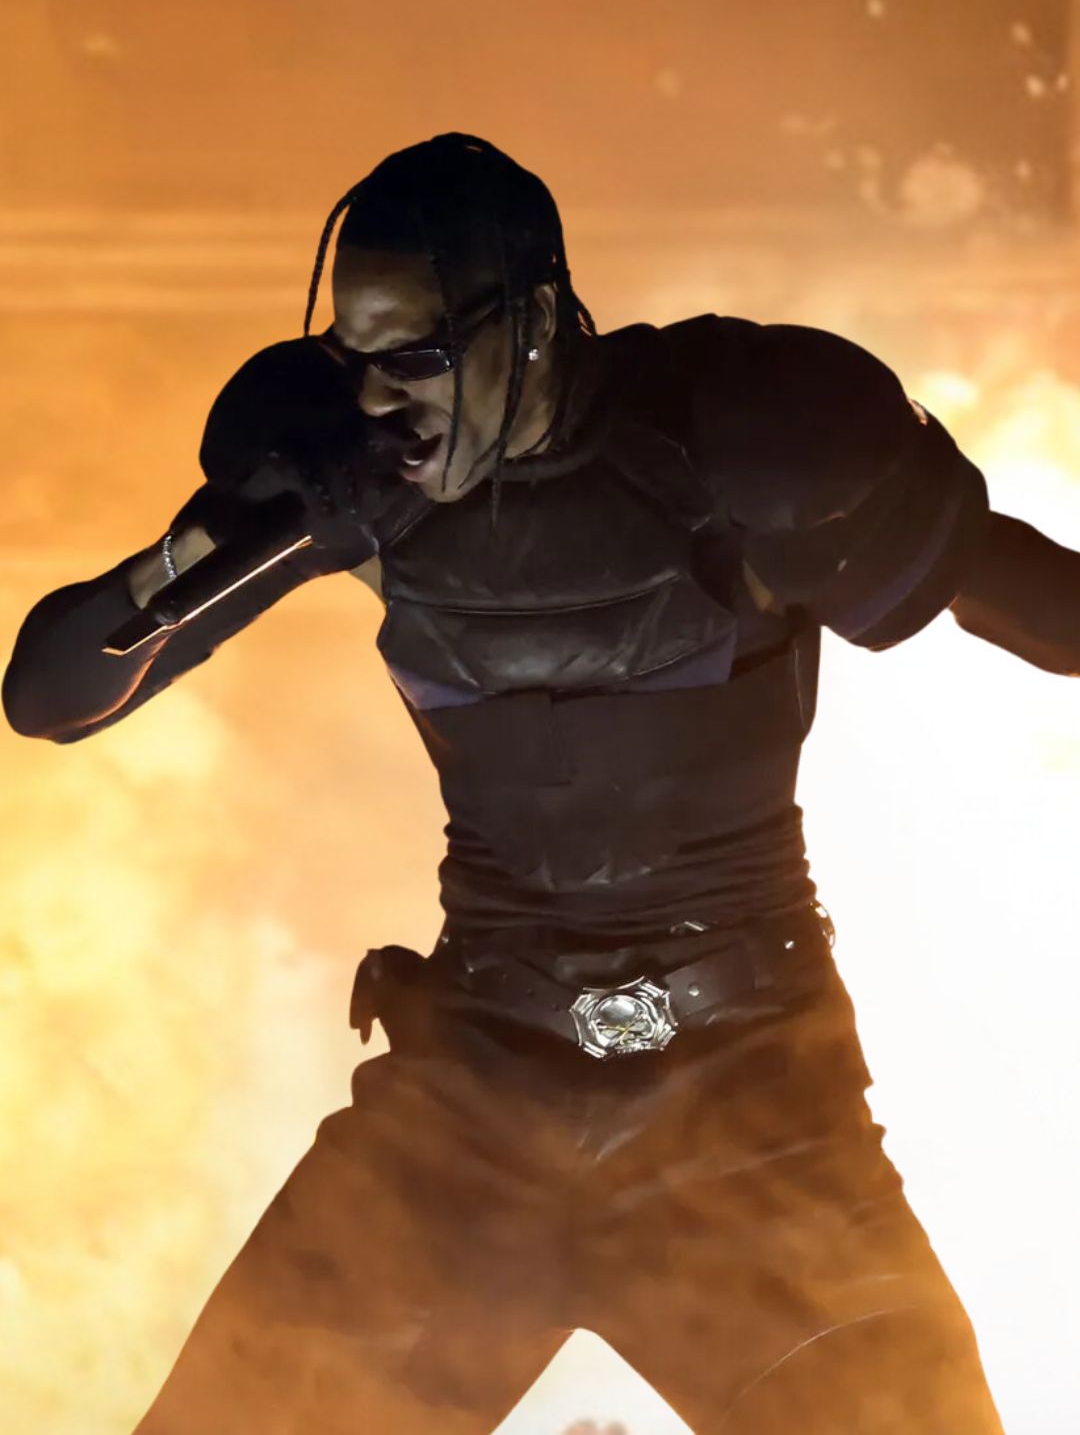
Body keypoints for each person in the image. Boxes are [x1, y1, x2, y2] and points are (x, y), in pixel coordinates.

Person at [6, 130, 1068, 1433]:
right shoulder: (356, 479)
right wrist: (218, 538)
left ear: (538, 322)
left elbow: (1033, 601)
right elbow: (51, 695)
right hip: (470, 1109)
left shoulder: (739, 436)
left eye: (415, 357)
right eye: (353, 358)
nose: (379, 401)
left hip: (751, 1117)